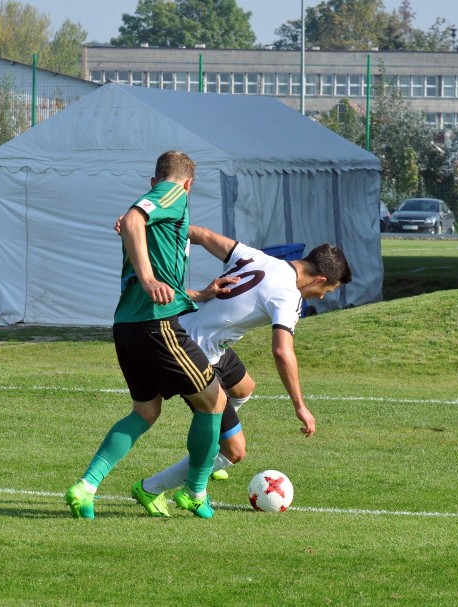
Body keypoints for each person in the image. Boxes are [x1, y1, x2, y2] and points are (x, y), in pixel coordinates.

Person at [130, 224, 352, 517]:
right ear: (320, 279)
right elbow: (282, 351)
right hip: (195, 353)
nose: (322, 296)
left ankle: (208, 450)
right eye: (327, 289)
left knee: (244, 387)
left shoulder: (256, 257)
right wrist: (300, 405)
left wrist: (149, 230)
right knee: (235, 451)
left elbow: (201, 235)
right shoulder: (289, 296)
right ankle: (154, 487)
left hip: (198, 337)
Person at [64, 150, 228, 520]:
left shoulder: (160, 220)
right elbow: (135, 217)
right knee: (214, 403)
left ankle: (86, 486)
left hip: (128, 327)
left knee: (145, 411)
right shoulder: (174, 194)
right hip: (157, 326)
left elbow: (143, 239)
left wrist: (201, 293)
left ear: (152, 180)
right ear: (189, 184)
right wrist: (150, 278)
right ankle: (195, 491)